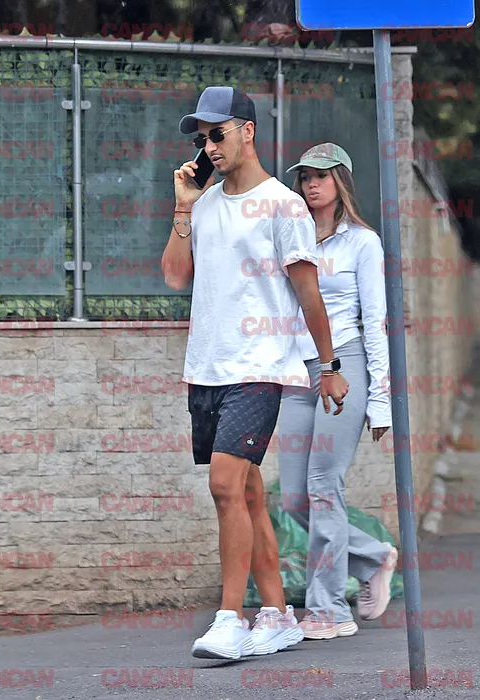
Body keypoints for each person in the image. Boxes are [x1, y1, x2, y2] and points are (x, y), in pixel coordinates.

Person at [161, 88, 349, 660]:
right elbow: (175, 276)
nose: (209, 147)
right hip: (207, 367)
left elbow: (308, 292)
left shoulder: (283, 205)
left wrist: (328, 366)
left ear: (247, 131)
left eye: (217, 134)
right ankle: (277, 614)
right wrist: (184, 207)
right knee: (246, 492)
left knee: (223, 485)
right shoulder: (205, 205)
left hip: (260, 365)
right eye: (202, 139)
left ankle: (230, 619)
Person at [277, 143, 398, 640]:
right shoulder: (293, 236)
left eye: (321, 176)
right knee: (292, 498)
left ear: (341, 182)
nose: (311, 184)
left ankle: (328, 610)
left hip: (344, 366)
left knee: (324, 485)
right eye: (305, 177)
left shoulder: (363, 244)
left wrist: (381, 400)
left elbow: (376, 322)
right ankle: (372, 557)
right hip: (296, 371)